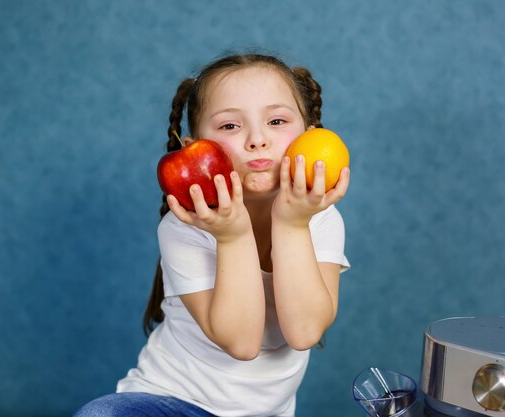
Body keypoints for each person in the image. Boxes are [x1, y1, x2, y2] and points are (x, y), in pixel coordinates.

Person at [73, 52, 350, 417]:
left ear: (310, 136)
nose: (257, 139)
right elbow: (242, 342)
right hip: (171, 402)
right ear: (194, 149)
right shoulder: (184, 225)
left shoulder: (320, 219)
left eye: (277, 120)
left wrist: (293, 223)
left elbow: (304, 332)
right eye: (230, 127)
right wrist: (233, 237)